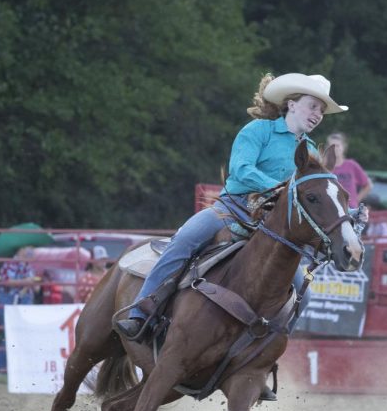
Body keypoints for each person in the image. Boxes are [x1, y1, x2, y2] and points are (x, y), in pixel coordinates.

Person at [116, 72, 350, 341]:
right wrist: (282, 189)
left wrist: (345, 215)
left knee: (303, 294)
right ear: (292, 104)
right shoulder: (258, 130)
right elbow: (241, 170)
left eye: (321, 110)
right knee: (185, 241)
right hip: (232, 210)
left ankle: (264, 353)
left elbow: (315, 197)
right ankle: (141, 314)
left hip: (272, 224)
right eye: (312, 106)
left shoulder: (309, 151)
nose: (317, 114)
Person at [0, 245, 37, 370]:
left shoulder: (28, 265)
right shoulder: (9, 264)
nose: (30, 251)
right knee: (11, 334)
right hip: (8, 300)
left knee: (17, 334)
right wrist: (27, 282)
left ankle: (3, 368)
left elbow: (34, 285)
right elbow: (6, 281)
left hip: (21, 300)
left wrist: (30, 283)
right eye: (27, 249)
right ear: (20, 250)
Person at [326, 131, 372, 208]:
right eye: (332, 146)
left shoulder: (351, 165)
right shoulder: (323, 167)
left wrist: (356, 200)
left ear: (343, 147)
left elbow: (367, 185)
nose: (335, 148)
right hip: (331, 211)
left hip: (350, 210)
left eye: (337, 145)